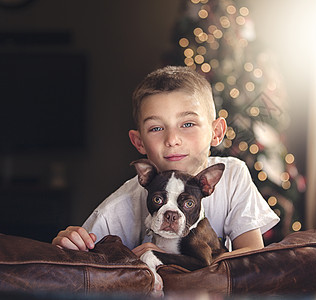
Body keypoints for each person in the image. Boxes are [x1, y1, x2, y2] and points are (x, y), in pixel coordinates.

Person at [52, 66, 279, 258]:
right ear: (139, 142)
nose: (172, 140)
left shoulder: (231, 176)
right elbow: (79, 259)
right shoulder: (119, 207)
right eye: (156, 128)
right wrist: (69, 246)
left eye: (187, 124)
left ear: (216, 132)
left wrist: (170, 259)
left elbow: (252, 255)